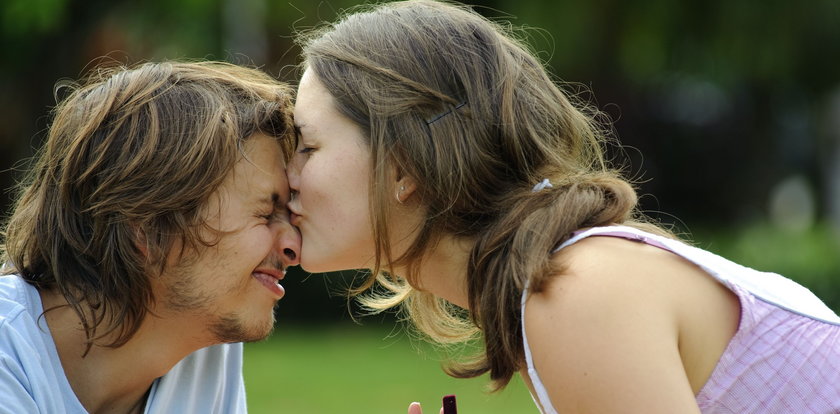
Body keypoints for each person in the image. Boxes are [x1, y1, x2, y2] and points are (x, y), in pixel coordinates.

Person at [287, 1, 840, 412]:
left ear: (402, 164)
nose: (285, 179)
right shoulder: (562, 284)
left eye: (306, 148)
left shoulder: (576, 292)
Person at [0, 61, 301, 413]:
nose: (293, 245)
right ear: (146, 227)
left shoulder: (206, 345)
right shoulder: (10, 354)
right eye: (266, 213)